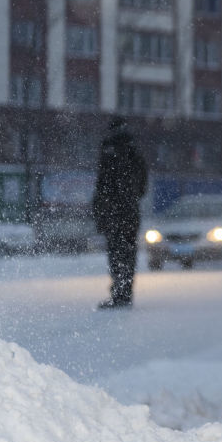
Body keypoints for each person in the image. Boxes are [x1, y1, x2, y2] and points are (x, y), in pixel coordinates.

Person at [91, 117, 148, 309]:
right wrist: (131, 197)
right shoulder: (134, 152)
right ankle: (125, 293)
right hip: (129, 212)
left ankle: (119, 292)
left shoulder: (109, 150)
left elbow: (102, 185)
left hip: (113, 212)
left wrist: (101, 209)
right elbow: (142, 185)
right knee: (128, 253)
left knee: (116, 253)